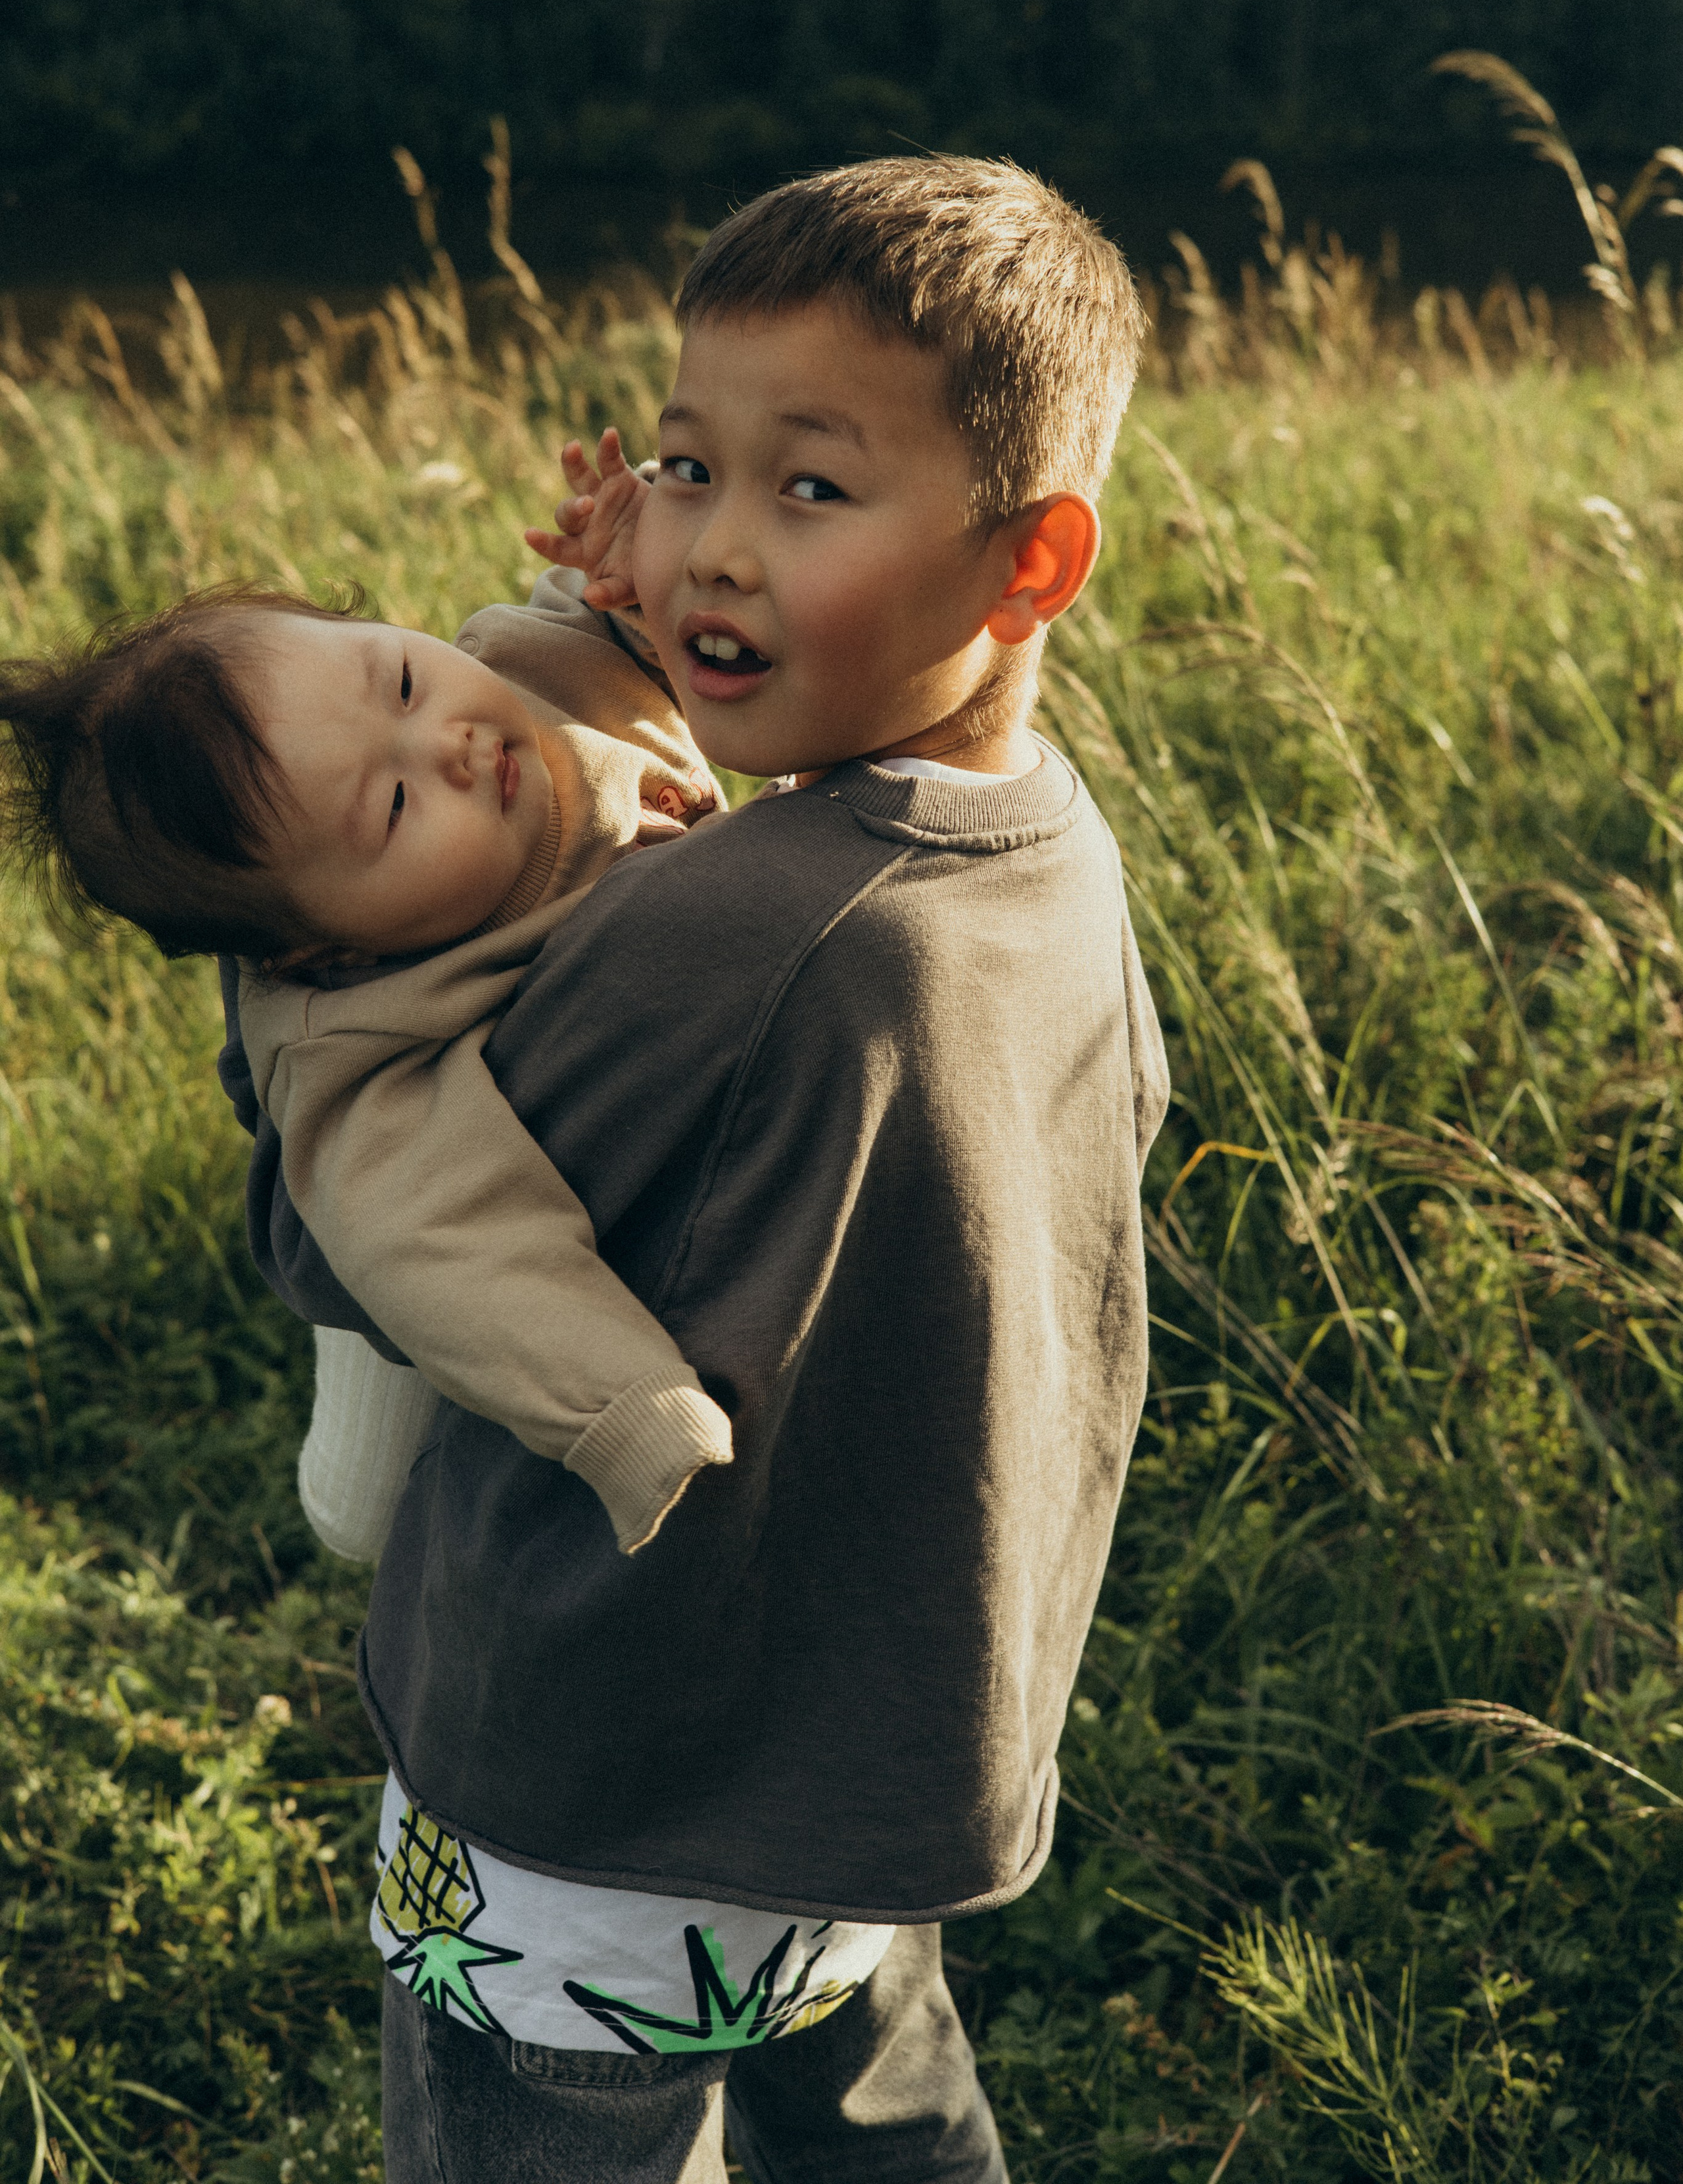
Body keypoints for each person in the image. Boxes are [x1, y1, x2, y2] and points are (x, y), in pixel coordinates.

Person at [222, 154, 1171, 2183]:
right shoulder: (1054, 855)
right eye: (683, 465)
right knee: (874, 2127)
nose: (710, 553)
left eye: (810, 491)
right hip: (860, 1767)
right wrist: (605, 650)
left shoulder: (732, 931)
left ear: (1032, 560)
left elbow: (350, 1243)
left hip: (589, 1816)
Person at [0, 542, 730, 1562]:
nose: (451, 742)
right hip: (393, 1209)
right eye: (391, 806)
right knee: (364, 1514)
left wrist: (648, 526)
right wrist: (630, 1408)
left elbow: (651, 597)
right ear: (321, 948)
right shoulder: (353, 1052)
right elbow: (462, 1258)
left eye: (400, 679)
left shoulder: (544, 664)